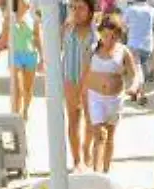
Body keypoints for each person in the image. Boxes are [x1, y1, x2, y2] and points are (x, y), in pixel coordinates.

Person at [83, 14, 143, 172]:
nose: (109, 40)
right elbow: (84, 75)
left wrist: (134, 87)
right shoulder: (92, 50)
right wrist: (82, 95)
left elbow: (134, 73)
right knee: (99, 135)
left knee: (110, 135)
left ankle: (106, 170)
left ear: (119, 36)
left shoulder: (123, 51)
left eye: (113, 36)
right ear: (100, 33)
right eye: (105, 35)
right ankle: (96, 172)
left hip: (114, 99)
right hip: (95, 97)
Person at [63, 0, 98, 170]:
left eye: (81, 8)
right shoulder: (67, 28)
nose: (76, 12)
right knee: (73, 119)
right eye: (73, 7)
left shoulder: (96, 33)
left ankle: (87, 151)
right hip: (70, 78)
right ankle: (77, 160)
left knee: (91, 121)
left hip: (91, 81)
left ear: (90, 11)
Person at [6, 0, 44, 120]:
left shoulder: (34, 18)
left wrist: (42, 58)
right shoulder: (10, 17)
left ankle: (25, 110)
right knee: (18, 89)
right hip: (15, 55)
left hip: (30, 55)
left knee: (28, 89)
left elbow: (38, 38)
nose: (27, 2)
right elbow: (3, 38)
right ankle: (15, 115)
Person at [125, 0, 154, 99]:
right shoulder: (151, 10)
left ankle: (141, 93)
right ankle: (137, 92)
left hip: (133, 44)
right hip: (148, 45)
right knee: (140, 68)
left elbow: (124, 26)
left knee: (136, 69)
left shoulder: (130, 10)